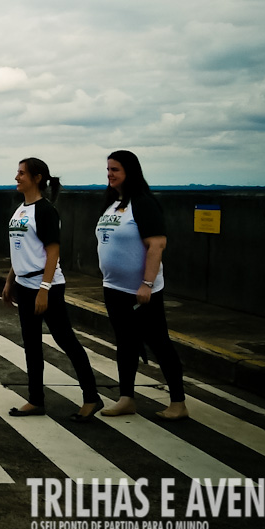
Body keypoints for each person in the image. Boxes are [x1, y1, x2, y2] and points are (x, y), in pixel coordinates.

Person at [2, 157, 102, 421]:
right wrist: (10, 280)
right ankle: (36, 400)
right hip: (24, 284)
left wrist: (44, 289)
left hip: (46, 286)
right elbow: (21, 249)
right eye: (17, 172)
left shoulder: (45, 211)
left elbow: (52, 251)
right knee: (31, 345)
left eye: (22, 173)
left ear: (37, 178)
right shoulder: (21, 209)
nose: (17, 177)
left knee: (65, 340)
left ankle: (91, 397)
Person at [95, 150, 188, 421]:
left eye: (115, 169)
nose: (110, 174)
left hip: (141, 291)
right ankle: (127, 398)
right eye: (109, 169)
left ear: (130, 172)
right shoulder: (114, 203)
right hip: (114, 287)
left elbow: (157, 245)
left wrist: (147, 283)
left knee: (159, 343)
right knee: (125, 343)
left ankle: (178, 402)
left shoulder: (144, 203)